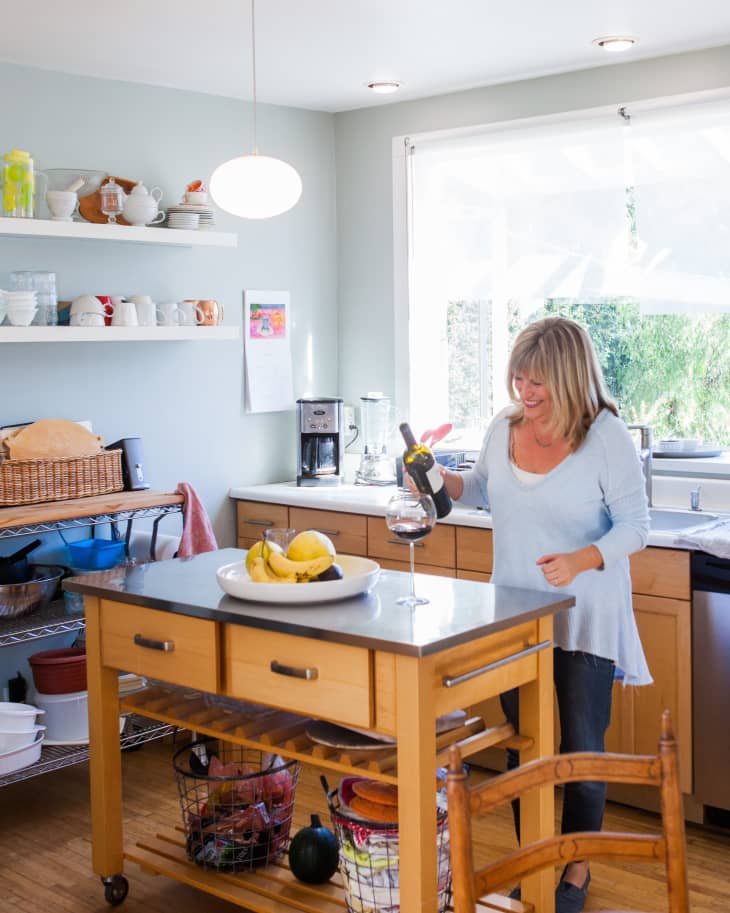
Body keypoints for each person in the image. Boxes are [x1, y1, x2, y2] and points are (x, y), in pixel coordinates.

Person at [437, 316, 651, 913]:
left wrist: (583, 559)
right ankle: (534, 861)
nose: (526, 396)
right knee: (523, 748)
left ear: (571, 378)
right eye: (519, 381)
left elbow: (638, 527)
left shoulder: (605, 436)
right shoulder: (504, 427)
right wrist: (438, 478)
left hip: (586, 614)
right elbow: (479, 489)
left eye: (539, 385)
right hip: (516, 617)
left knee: (581, 752)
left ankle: (575, 868)